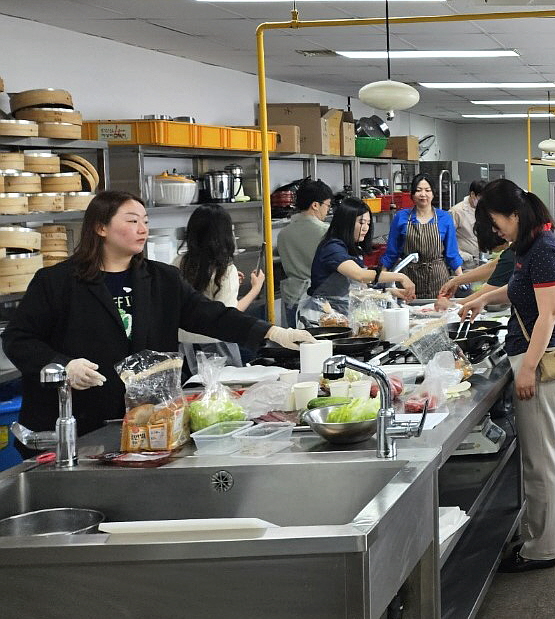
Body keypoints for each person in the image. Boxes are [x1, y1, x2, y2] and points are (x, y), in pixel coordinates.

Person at [1, 191, 313, 446]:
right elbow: (18, 339)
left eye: (145, 221)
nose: (142, 229)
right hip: (80, 427)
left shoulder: (162, 279)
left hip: (148, 426)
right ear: (100, 227)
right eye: (132, 220)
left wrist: (271, 331)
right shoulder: (57, 282)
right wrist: (63, 365)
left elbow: (210, 315)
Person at [465, 180, 555, 572]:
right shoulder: (531, 246)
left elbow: (549, 314)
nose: (497, 231)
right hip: (538, 360)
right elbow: (518, 290)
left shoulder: (543, 250)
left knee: (538, 461)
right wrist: (479, 299)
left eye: (497, 223)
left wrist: (527, 368)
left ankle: (541, 549)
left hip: (540, 364)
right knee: (551, 455)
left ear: (514, 215)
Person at [176, 204, 265, 366]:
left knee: (195, 389)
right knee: (224, 390)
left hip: (184, 345)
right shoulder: (225, 270)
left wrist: (230, 286)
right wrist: (255, 289)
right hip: (218, 344)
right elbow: (229, 316)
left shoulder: (179, 263)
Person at [305, 198, 415, 323]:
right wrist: (400, 277)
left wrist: (390, 291)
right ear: (346, 222)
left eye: (368, 223)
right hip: (322, 318)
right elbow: (360, 276)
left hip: (340, 316)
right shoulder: (332, 248)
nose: (365, 228)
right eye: (361, 222)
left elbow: (357, 289)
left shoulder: (351, 248)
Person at [382, 173, 463, 299]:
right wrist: (382, 276)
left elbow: (452, 254)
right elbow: (391, 252)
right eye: (419, 190)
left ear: (433, 193)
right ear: (413, 194)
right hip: (408, 280)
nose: (423, 194)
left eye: (427, 190)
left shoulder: (445, 218)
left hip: (438, 279)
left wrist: (460, 279)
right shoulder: (401, 217)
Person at [275, 178, 332, 326]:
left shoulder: (283, 234)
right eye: (327, 205)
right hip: (321, 300)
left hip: (292, 297)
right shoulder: (326, 232)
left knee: (297, 344)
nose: (328, 210)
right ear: (315, 205)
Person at [448, 179, 487, 272]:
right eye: (481, 197)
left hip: (480, 262)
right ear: (472, 194)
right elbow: (447, 238)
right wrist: (459, 253)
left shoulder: (484, 209)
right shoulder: (456, 211)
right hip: (463, 265)